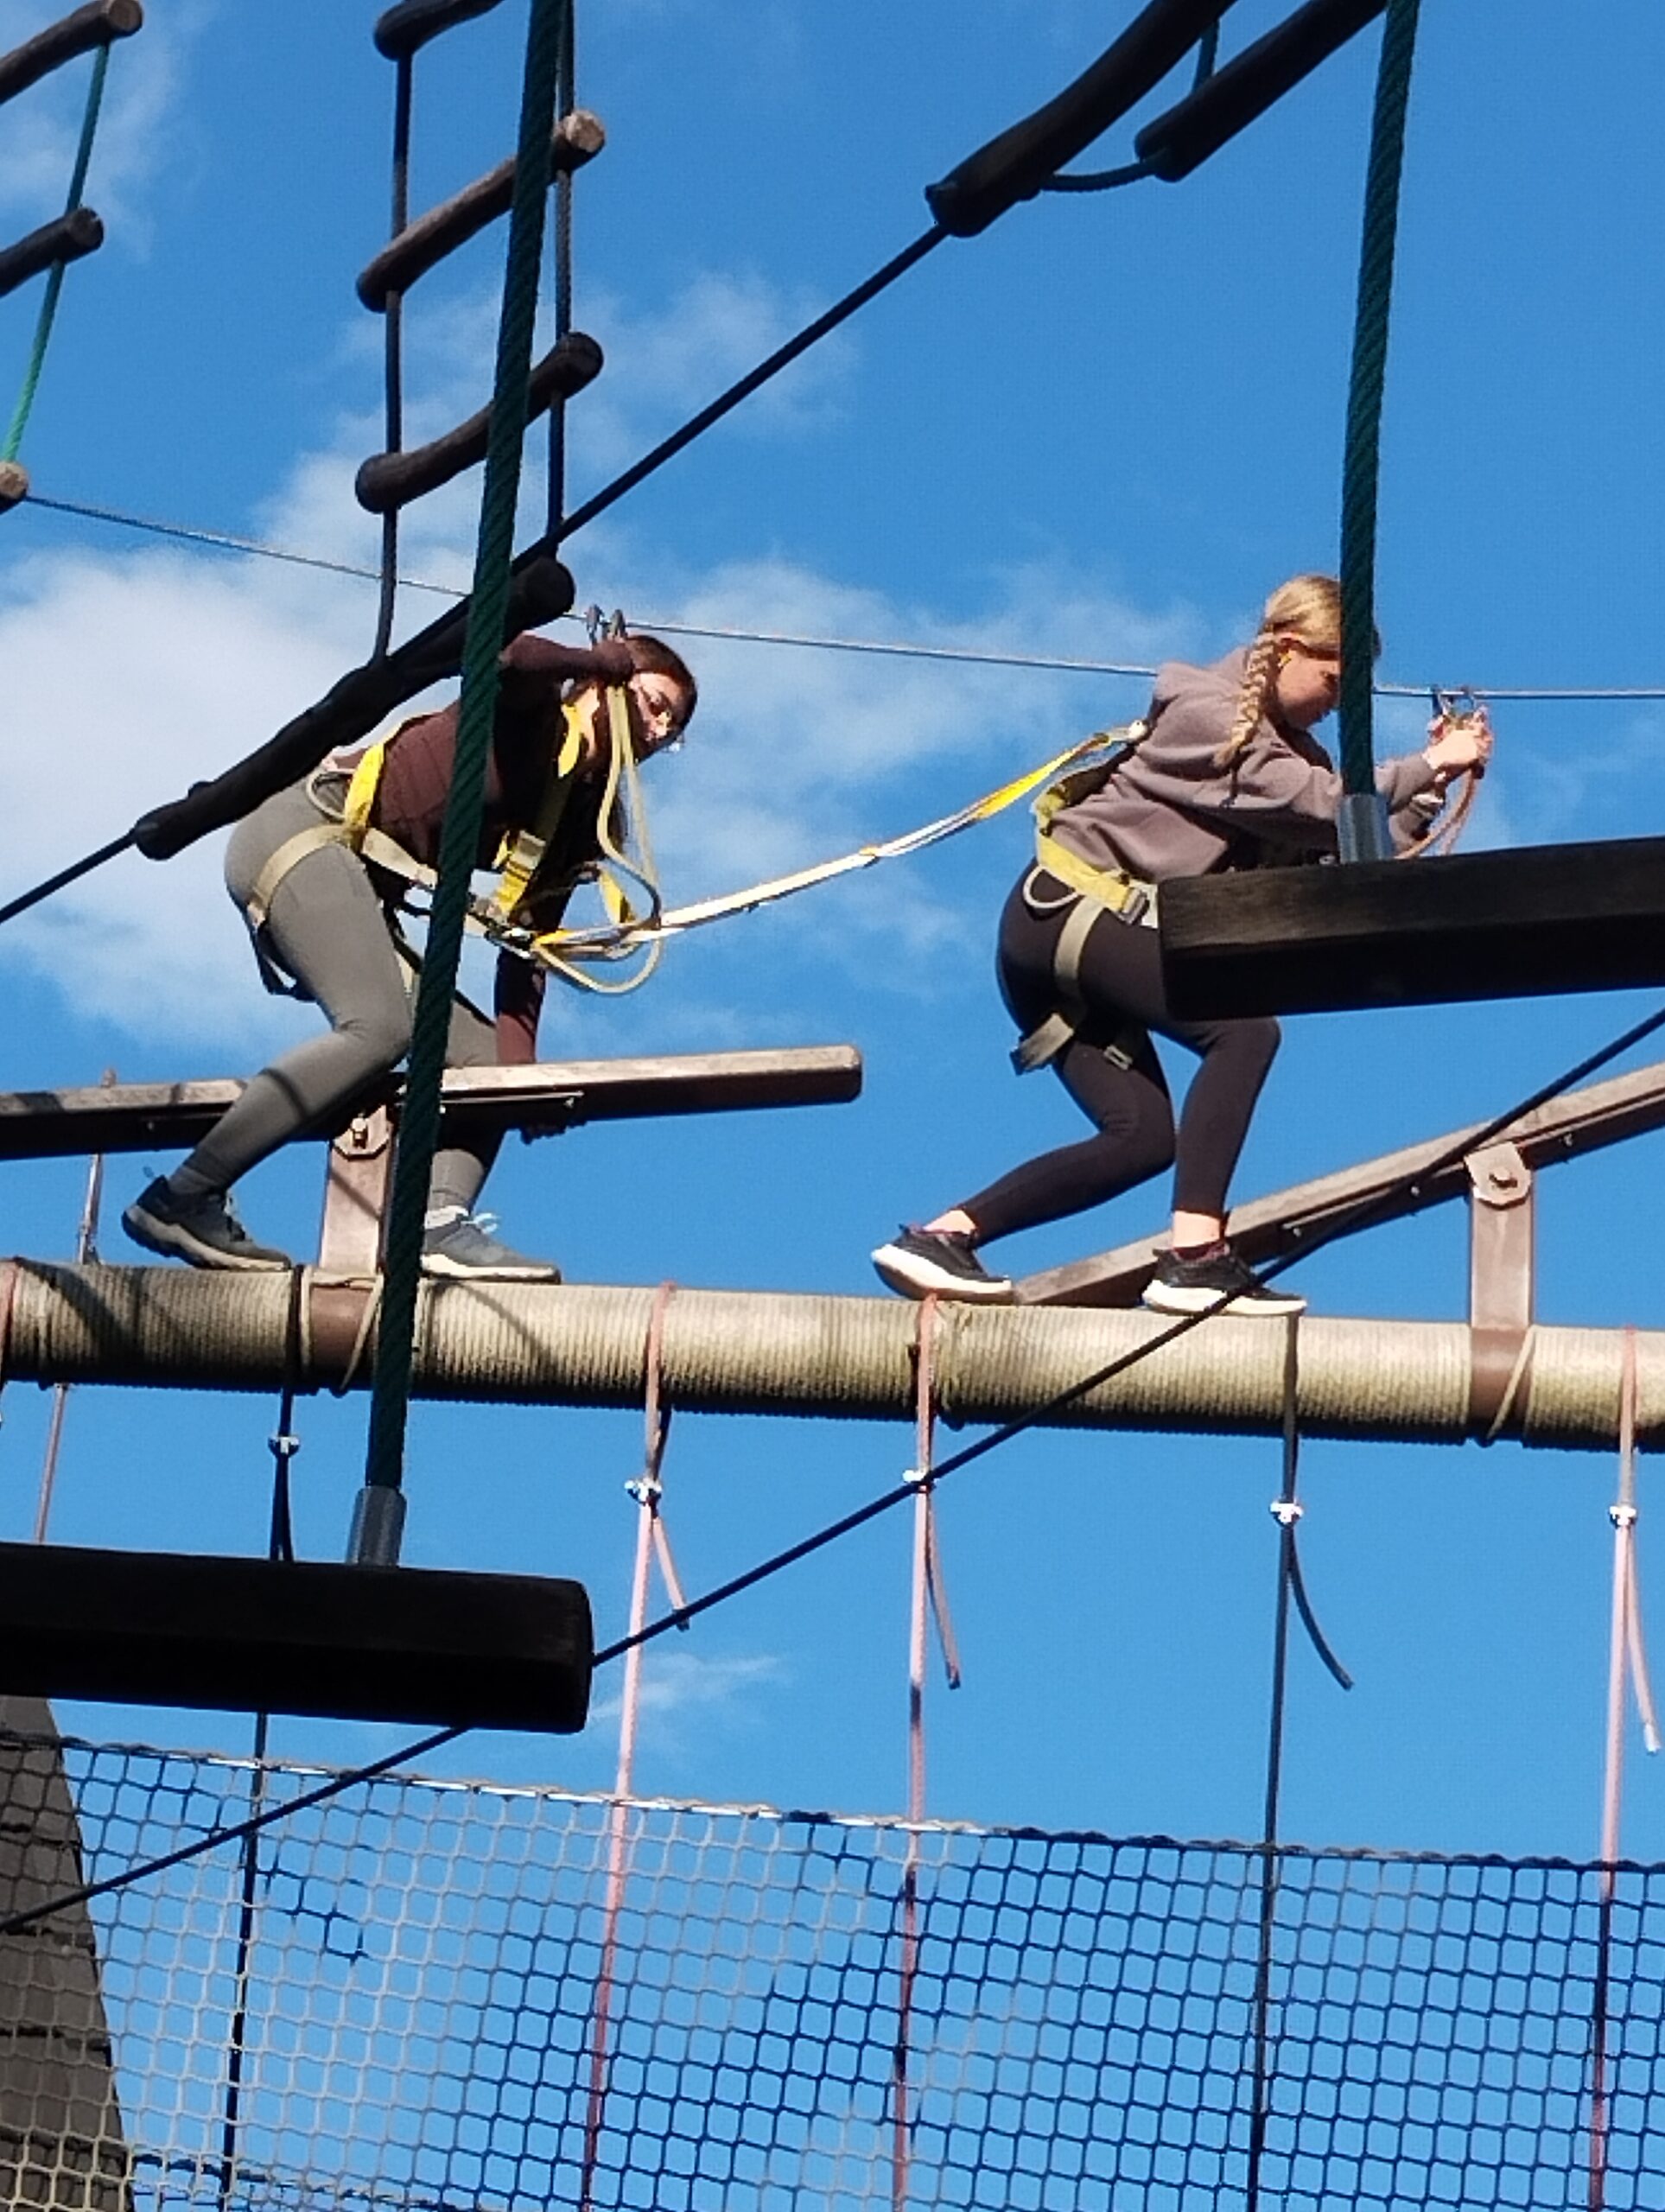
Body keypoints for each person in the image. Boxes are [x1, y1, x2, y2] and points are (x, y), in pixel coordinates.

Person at [871, 573, 1492, 1316]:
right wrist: (1430, 762)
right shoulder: (1206, 713)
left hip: (1082, 943)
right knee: (1245, 1034)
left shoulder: (1297, 758)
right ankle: (1195, 1256)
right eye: (1334, 682)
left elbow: (1346, 852)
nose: (1336, 704)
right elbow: (1317, 802)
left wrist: (1426, 791)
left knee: (1140, 1139)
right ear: (1288, 649)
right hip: (1070, 913)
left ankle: (943, 1237)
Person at [124, 627, 696, 1281]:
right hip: (304, 833)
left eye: (673, 727)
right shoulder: (534, 716)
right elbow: (510, 657)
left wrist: (522, 1080)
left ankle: (435, 1224)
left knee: (484, 1061)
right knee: (380, 1027)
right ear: (608, 684)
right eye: (655, 705)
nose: (658, 731)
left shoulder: (579, 817)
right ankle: (184, 1195)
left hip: (359, 885)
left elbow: (527, 949)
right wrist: (596, 658)